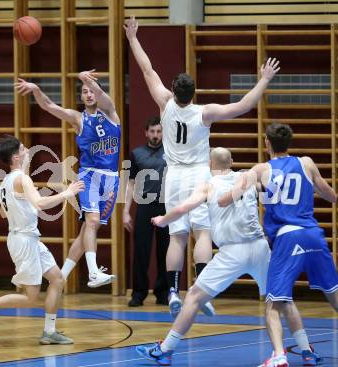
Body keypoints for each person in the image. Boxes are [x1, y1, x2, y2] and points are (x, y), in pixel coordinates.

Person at [124, 15, 280, 319]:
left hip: (174, 176)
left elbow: (146, 68)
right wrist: (264, 78)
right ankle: (202, 290)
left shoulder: (164, 102)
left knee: (176, 237)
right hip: (198, 174)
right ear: (193, 93)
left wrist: (132, 38)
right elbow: (244, 106)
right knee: (203, 232)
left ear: (174, 90)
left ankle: (171, 291)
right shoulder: (204, 112)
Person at [137, 147, 324, 366]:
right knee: (282, 299)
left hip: (232, 252)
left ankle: (165, 350)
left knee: (194, 297)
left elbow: (182, 208)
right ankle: (306, 350)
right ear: (232, 161)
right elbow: (277, 195)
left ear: (209, 164)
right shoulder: (248, 177)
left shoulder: (207, 186)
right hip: (260, 247)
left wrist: (163, 220)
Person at [218, 123, 338, 367]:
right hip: (313, 234)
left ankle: (278, 355)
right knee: (334, 295)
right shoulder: (306, 162)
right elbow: (327, 193)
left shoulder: (261, 169)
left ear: (266, 143)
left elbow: (232, 195)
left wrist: (218, 197)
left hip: (287, 237)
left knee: (274, 302)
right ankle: (306, 351)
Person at [0, 135, 84, 345]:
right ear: (16, 157)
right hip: (23, 241)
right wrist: (67, 193)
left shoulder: (7, 182)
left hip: (28, 239)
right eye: (23, 148)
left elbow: (4, 213)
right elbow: (39, 203)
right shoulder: (22, 179)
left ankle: (49, 332)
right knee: (31, 297)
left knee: (57, 279)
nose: (27, 149)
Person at [15, 69, 121, 287]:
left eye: (91, 91)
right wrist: (36, 89)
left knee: (87, 232)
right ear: (81, 97)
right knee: (91, 222)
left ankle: (62, 276)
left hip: (111, 179)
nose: (89, 94)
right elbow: (48, 106)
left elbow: (102, 94)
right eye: (84, 92)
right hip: (89, 176)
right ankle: (93, 272)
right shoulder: (77, 118)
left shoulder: (110, 112)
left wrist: (87, 80)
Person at [123, 117, 169, 307]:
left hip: (167, 206)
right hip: (144, 207)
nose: (155, 135)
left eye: (158, 131)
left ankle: (164, 293)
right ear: (146, 132)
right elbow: (130, 184)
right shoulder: (136, 154)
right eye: (152, 131)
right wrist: (126, 211)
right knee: (141, 252)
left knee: (166, 251)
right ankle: (138, 293)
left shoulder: (171, 153)